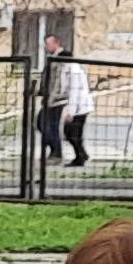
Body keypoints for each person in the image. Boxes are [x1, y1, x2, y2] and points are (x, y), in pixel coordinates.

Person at [48, 40, 96, 170]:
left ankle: (81, 156)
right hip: (80, 106)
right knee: (72, 133)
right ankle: (81, 155)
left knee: (72, 133)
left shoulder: (72, 70)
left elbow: (74, 91)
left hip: (80, 107)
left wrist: (71, 112)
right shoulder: (72, 68)